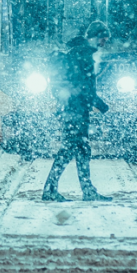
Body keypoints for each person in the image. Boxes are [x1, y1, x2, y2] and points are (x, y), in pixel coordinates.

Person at [42, 21, 112, 202]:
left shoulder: (78, 52)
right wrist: (102, 106)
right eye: (103, 38)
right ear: (95, 36)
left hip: (73, 108)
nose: (104, 43)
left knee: (81, 149)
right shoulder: (83, 55)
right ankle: (51, 189)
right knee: (69, 149)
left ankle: (86, 190)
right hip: (76, 110)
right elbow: (85, 87)